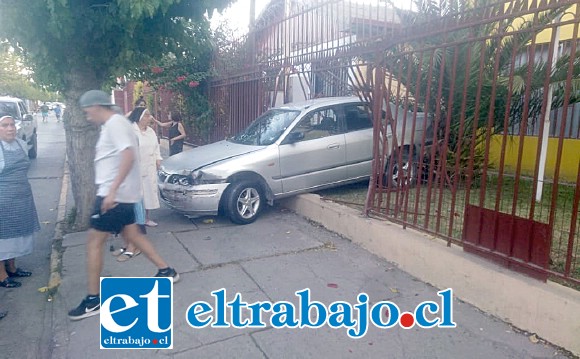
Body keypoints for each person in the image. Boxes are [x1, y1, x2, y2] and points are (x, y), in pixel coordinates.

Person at [68, 90, 179, 321]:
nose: (88, 116)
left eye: (88, 112)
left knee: (93, 243)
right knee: (134, 235)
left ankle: (93, 300)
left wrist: (111, 191)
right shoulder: (115, 124)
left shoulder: (115, 124)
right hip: (122, 195)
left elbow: (128, 156)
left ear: (98, 106)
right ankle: (166, 271)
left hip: (113, 196)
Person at [0, 113, 39, 289]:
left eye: (12, 125)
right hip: (3, 199)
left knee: (16, 234)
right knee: (3, 237)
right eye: (5, 125)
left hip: (22, 196)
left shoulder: (21, 145)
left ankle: (12, 267)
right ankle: (2, 275)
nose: (10, 128)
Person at [128, 107, 162, 227]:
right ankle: (135, 220)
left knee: (148, 193)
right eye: (147, 115)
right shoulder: (131, 131)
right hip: (135, 168)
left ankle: (146, 218)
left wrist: (158, 159)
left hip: (150, 166)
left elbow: (156, 146)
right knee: (138, 195)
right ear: (139, 117)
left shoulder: (150, 131)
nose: (150, 117)